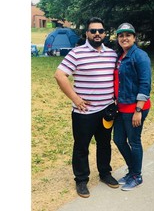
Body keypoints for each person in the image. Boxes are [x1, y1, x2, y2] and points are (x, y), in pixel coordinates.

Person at [54, 17, 119, 198]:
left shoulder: (112, 54)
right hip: (84, 113)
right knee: (81, 147)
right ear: (87, 34)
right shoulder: (77, 53)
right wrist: (75, 98)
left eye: (100, 31)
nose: (97, 34)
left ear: (105, 34)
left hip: (107, 111)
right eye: (93, 31)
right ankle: (81, 180)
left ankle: (105, 174)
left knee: (105, 144)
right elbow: (60, 75)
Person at [113, 22, 152, 191]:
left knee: (134, 141)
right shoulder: (120, 56)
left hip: (135, 108)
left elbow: (145, 83)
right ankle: (132, 171)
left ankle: (137, 175)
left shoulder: (140, 56)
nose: (124, 38)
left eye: (128, 35)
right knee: (118, 139)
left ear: (134, 38)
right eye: (121, 35)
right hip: (121, 107)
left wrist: (138, 110)